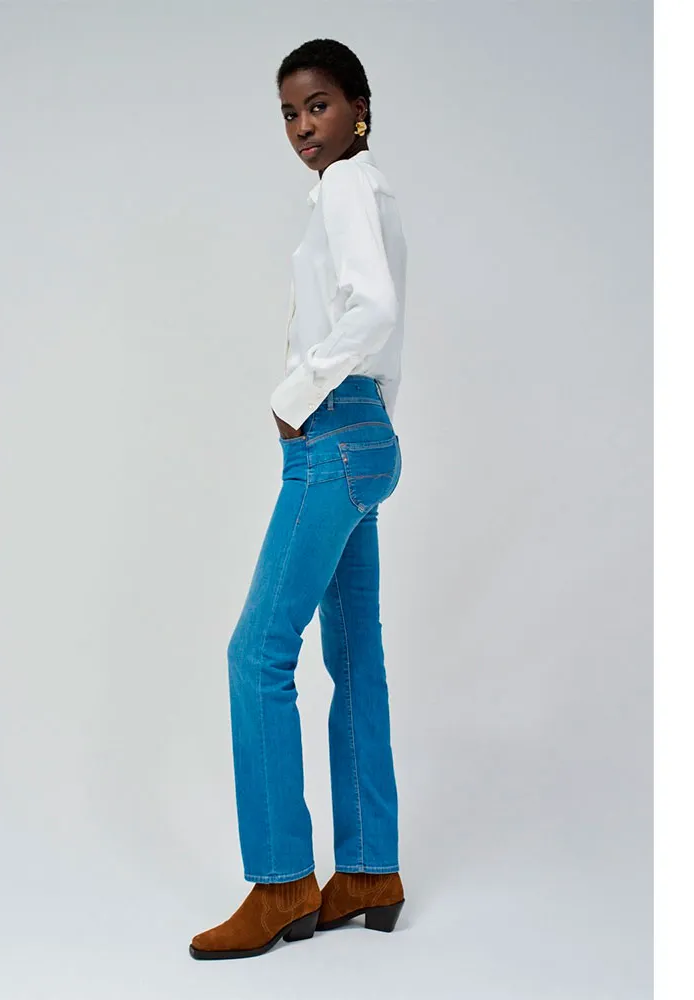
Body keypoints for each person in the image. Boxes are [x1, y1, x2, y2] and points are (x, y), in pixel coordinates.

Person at [189, 38, 408, 960]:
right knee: (354, 658)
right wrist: (360, 415)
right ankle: (367, 871)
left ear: (359, 107)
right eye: (288, 113)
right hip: (367, 435)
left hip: (333, 439)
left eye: (318, 106)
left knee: (257, 654)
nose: (302, 127)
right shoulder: (373, 191)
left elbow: (374, 311)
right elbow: (384, 325)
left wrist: (298, 394)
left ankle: (282, 883)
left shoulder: (347, 187)